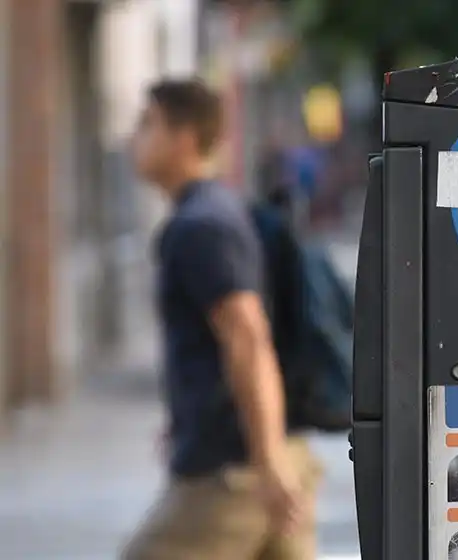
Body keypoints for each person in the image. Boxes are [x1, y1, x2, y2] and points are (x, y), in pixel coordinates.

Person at [122, 78, 321, 560]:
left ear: (184, 137)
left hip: (234, 474)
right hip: (254, 459)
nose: (134, 139)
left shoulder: (202, 226)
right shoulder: (211, 215)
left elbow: (247, 337)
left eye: (147, 124)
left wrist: (267, 459)